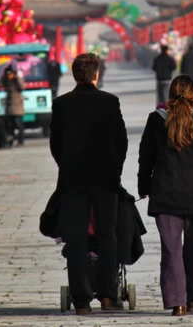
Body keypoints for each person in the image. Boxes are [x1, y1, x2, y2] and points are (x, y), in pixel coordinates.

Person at [138, 75, 193, 317]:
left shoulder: (156, 120)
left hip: (165, 194)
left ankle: (177, 302)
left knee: (171, 250)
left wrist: (143, 186)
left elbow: (145, 158)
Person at [50, 53, 128, 315]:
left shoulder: (61, 105)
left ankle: (81, 300)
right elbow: (121, 142)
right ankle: (108, 296)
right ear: (96, 75)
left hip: (72, 180)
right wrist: (114, 169)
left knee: (76, 238)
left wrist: (66, 165)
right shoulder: (109, 102)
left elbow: (56, 145)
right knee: (107, 236)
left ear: (74, 75)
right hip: (105, 180)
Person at [1, 66, 25, 146]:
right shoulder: (6, 81)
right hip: (9, 106)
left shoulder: (16, 80)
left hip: (17, 106)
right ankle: (11, 140)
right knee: (10, 125)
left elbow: (22, 87)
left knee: (19, 125)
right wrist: (4, 75)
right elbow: (0, 84)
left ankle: (21, 140)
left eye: (10, 74)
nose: (9, 76)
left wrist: (16, 77)